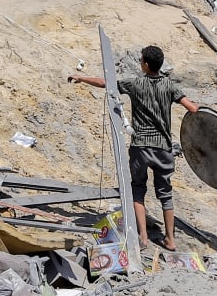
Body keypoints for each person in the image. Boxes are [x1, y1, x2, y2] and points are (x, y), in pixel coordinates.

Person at [70, 45, 201, 252]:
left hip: (140, 147)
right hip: (163, 148)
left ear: (146, 65)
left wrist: (82, 78)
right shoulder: (170, 86)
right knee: (165, 194)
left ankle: (143, 236)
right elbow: (193, 108)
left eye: (141, 60)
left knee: (138, 190)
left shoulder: (135, 84)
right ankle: (170, 240)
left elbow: (106, 83)